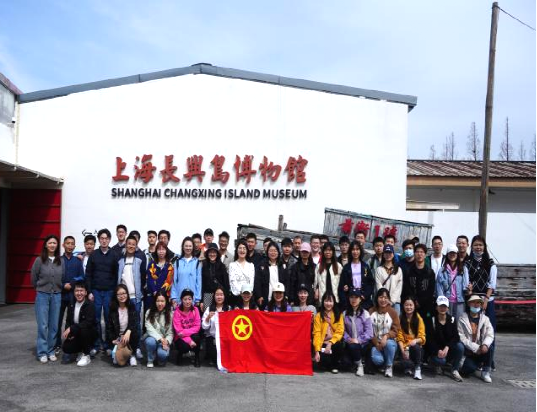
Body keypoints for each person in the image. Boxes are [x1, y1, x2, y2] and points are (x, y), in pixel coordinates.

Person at [464, 235, 497, 370]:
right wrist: (469, 290)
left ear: (484, 247)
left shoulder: (490, 263)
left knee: (489, 329)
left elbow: (492, 284)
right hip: (474, 301)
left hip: (488, 300)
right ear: (471, 247)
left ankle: (489, 360)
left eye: (480, 245)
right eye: (475, 245)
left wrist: (486, 300)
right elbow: (467, 283)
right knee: (474, 330)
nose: (478, 247)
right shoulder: (468, 263)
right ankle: (476, 358)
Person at [86, 228, 119, 356]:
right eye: (102, 238)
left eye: (106, 238)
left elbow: (116, 275)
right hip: (96, 292)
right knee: (95, 319)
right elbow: (88, 274)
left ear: (109, 240)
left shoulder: (114, 255)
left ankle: (108, 345)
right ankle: (97, 344)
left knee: (109, 318)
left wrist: (115, 293)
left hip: (109, 292)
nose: (104, 241)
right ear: (99, 240)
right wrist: (89, 291)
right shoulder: (94, 255)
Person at [31, 235, 64, 363]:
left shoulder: (60, 261)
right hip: (42, 295)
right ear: (45, 245)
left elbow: (63, 276)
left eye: (54, 243)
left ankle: (51, 350)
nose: (52, 245)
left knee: (54, 325)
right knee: (43, 325)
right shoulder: (39, 260)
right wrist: (40, 288)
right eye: (50, 243)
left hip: (57, 295)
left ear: (57, 245)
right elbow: (34, 277)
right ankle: (42, 352)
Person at [117, 235, 145, 359]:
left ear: (136, 246)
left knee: (136, 324)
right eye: (129, 244)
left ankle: (137, 347)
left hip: (135, 297)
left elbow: (143, 277)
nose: (131, 246)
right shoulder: (120, 261)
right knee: (124, 322)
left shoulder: (139, 260)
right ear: (126, 244)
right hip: (123, 297)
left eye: (133, 244)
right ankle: (124, 347)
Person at [56, 236, 85, 351]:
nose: (70, 245)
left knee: (73, 321)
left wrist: (72, 284)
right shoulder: (58, 260)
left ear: (74, 246)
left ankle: (71, 343)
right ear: (63, 245)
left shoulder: (77, 261)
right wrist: (63, 285)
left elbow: (81, 276)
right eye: (67, 243)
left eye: (72, 244)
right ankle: (57, 344)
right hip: (60, 295)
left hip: (73, 296)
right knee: (57, 321)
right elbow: (54, 277)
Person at [458, 295, 495, 383]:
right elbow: (461, 337)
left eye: (478, 302)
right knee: (468, 369)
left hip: (482, 350)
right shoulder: (462, 319)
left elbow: (490, 334)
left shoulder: (485, 319)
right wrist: (475, 347)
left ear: (481, 305)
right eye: (473, 302)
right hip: (469, 352)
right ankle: (475, 365)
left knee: (490, 347)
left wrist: (485, 345)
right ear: (469, 304)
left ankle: (486, 372)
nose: (476, 304)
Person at [428, 296, 465, 382]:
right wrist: (437, 350)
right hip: (436, 351)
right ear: (436, 307)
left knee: (460, 346)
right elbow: (430, 339)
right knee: (441, 361)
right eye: (440, 306)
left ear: (448, 308)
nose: (442, 308)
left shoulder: (452, 319)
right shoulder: (432, 320)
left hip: (448, 349)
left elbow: (456, 337)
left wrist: (447, 347)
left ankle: (455, 369)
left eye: (444, 306)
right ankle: (434, 363)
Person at [61, 282, 97, 367]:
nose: (79, 293)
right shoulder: (71, 304)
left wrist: (71, 328)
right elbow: (68, 321)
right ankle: (80, 351)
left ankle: (86, 354)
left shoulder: (90, 305)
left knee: (84, 329)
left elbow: (88, 323)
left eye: (81, 291)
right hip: (76, 332)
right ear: (74, 292)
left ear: (85, 292)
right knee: (66, 347)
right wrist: (69, 333)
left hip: (89, 333)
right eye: (77, 291)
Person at [369, 288, 400, 378]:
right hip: (376, 343)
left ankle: (389, 366)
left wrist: (386, 336)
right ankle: (384, 363)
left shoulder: (393, 312)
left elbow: (396, 330)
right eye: (381, 297)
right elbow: (369, 330)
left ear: (389, 299)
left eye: (385, 298)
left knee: (389, 344)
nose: (383, 300)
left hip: (389, 342)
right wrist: (376, 343)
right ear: (377, 298)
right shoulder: (371, 311)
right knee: (377, 360)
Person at [402, 244, 436, 322]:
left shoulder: (430, 272)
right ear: (414, 254)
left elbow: (430, 290)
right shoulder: (409, 271)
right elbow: (407, 288)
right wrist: (414, 300)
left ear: (425, 255)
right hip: (411, 305)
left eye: (422, 252)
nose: (419, 254)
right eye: (417, 252)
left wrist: (420, 302)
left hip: (426, 306)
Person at [343, 289, 373, 377]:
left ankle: (360, 365)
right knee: (345, 362)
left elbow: (369, 332)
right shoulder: (344, 313)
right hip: (350, 343)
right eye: (351, 297)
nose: (354, 299)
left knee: (354, 346)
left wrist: (358, 340)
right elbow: (342, 330)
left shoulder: (365, 313)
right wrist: (348, 339)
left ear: (360, 299)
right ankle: (358, 362)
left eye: (356, 297)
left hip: (363, 344)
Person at [108, 284, 139, 367]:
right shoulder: (113, 308)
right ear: (116, 296)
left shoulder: (131, 306)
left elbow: (134, 322)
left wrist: (128, 331)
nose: (122, 296)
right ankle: (123, 353)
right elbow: (109, 327)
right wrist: (113, 340)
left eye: (124, 293)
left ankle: (132, 355)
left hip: (129, 336)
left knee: (135, 332)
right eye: (119, 294)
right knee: (117, 362)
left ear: (127, 294)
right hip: (118, 337)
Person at [313, 293, 344, 374]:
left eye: (330, 301)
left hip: (334, 343)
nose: (328, 303)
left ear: (334, 302)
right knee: (322, 363)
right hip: (323, 343)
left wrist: (330, 343)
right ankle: (328, 363)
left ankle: (334, 366)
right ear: (323, 302)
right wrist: (317, 351)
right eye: (326, 301)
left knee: (338, 345)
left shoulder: (338, 315)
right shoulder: (318, 316)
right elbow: (316, 334)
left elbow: (340, 331)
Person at [339, 241, 375, 311]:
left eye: (357, 249)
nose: (355, 252)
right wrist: (345, 300)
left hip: (363, 299)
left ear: (360, 251)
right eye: (353, 249)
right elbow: (341, 286)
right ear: (350, 251)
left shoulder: (365, 266)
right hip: (350, 300)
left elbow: (371, 283)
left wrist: (364, 295)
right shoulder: (346, 267)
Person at [436, 245, 468, 321]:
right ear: (447, 255)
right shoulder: (442, 270)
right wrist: (441, 301)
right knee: (447, 322)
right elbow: (439, 286)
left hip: (459, 301)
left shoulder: (463, 269)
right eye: (450, 253)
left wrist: (468, 289)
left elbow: (465, 285)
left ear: (457, 254)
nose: (452, 255)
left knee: (459, 322)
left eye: (454, 253)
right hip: (447, 301)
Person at [397, 296, 426, 380]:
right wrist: (403, 351)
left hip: (415, 348)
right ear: (403, 306)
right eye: (406, 305)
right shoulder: (400, 318)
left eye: (411, 305)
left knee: (415, 347)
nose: (408, 307)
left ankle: (417, 369)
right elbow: (399, 337)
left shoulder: (418, 318)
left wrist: (415, 340)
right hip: (405, 348)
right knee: (404, 363)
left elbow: (422, 337)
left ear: (414, 306)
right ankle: (408, 366)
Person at [255, 242, 290, 309]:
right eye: (271, 250)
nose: (273, 253)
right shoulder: (262, 265)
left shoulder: (283, 265)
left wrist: (286, 295)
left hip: (280, 297)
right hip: (266, 297)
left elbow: (287, 282)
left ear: (278, 252)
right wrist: (259, 296)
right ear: (267, 252)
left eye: (275, 251)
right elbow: (257, 282)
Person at [202, 286, 231, 365]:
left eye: (221, 295)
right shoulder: (209, 309)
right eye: (217, 295)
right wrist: (208, 318)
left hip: (225, 338)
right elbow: (204, 327)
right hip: (213, 337)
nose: (219, 297)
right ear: (214, 296)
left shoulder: (228, 308)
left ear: (224, 296)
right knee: (215, 357)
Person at [143, 291, 173, 368]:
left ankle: (159, 356)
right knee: (150, 342)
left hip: (164, 340)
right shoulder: (149, 312)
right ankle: (150, 359)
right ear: (155, 301)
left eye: (162, 301)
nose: (160, 304)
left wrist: (167, 341)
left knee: (162, 356)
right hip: (152, 337)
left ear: (166, 301)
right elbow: (149, 329)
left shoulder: (170, 313)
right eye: (158, 301)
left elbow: (171, 332)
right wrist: (160, 339)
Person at [173, 289, 202, 367]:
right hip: (179, 337)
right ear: (181, 300)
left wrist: (184, 332)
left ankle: (196, 357)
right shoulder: (177, 312)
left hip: (187, 334)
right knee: (184, 347)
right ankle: (180, 353)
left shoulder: (195, 310)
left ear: (192, 300)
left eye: (189, 299)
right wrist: (189, 341)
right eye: (185, 299)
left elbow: (197, 327)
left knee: (197, 337)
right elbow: (178, 331)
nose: (187, 301)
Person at [171, 237, 202, 309]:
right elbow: (174, 281)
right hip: (179, 298)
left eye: (190, 246)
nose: (188, 248)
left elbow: (198, 282)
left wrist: (197, 298)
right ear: (183, 247)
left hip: (192, 299)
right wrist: (173, 297)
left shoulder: (197, 262)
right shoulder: (177, 262)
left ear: (193, 247)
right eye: (186, 246)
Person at [374, 245, 403, 314]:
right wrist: (384, 299)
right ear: (383, 254)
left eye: (390, 253)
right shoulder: (379, 269)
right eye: (386, 253)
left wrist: (391, 301)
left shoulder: (398, 269)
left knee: (395, 320)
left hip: (395, 302)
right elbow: (379, 286)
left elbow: (399, 287)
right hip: (382, 302)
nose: (388, 255)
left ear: (393, 254)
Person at [201, 243, 230, 311]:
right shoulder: (204, 266)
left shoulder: (222, 266)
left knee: (219, 314)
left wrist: (226, 298)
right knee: (208, 314)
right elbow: (202, 284)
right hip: (207, 295)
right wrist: (202, 300)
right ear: (207, 254)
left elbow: (226, 284)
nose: (212, 254)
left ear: (217, 254)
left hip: (219, 295)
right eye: (210, 252)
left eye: (214, 252)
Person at [145, 241, 174, 309]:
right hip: (152, 295)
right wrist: (155, 291)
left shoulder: (170, 265)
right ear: (156, 251)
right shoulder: (151, 264)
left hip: (165, 297)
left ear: (166, 251)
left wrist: (161, 294)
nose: (161, 251)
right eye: (159, 249)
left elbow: (169, 281)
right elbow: (149, 279)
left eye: (163, 249)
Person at [228, 240, 256, 308]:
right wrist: (242, 293)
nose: (242, 250)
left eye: (244, 248)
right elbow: (232, 282)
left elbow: (251, 282)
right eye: (240, 248)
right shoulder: (232, 265)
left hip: (248, 297)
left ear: (247, 251)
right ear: (237, 250)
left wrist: (246, 293)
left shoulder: (251, 265)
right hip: (236, 297)